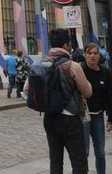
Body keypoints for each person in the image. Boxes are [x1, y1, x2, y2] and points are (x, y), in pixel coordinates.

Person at [25, 28, 92, 174]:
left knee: (55, 160)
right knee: (79, 161)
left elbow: (26, 89)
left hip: (50, 119)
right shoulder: (72, 66)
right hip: (70, 119)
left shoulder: (40, 65)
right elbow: (87, 92)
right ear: (66, 46)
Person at [81, 43, 112, 174]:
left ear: (99, 55)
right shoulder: (80, 70)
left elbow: (111, 96)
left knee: (100, 152)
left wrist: (111, 118)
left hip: (97, 115)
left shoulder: (105, 73)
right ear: (85, 55)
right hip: (83, 116)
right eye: (89, 53)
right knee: (83, 151)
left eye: (95, 53)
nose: (92, 56)